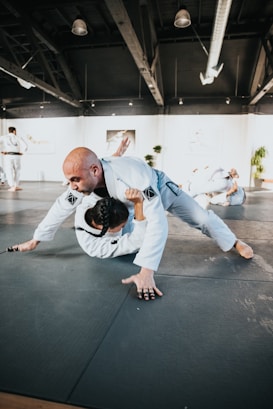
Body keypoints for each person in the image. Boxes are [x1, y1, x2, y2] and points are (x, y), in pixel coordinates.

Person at [14, 143, 253, 301]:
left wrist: (147, 270)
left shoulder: (133, 175)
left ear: (94, 170)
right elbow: (61, 206)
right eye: (69, 181)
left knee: (199, 217)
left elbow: (158, 220)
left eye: (75, 179)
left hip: (157, 187)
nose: (72, 186)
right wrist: (36, 239)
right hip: (129, 201)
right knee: (130, 230)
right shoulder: (81, 182)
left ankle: (233, 241)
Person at [0, 126, 28, 191]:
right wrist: (22, 152)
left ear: (9, 131)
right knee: (17, 171)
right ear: (14, 131)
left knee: (9, 170)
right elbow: (25, 146)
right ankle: (16, 185)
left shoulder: (4, 137)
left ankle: (12, 186)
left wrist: (1, 152)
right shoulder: (18, 137)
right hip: (17, 155)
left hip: (8, 155)